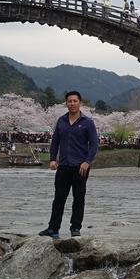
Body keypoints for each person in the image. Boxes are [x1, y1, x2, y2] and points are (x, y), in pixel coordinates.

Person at [39, 91, 98, 239]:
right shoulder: (61, 121)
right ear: (66, 103)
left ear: (80, 103)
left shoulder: (87, 122)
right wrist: (53, 159)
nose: (72, 104)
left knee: (79, 198)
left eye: (75, 101)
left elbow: (94, 144)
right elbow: (55, 142)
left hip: (81, 167)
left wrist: (87, 161)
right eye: (69, 101)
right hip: (63, 165)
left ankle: (76, 227)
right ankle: (53, 228)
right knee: (59, 198)